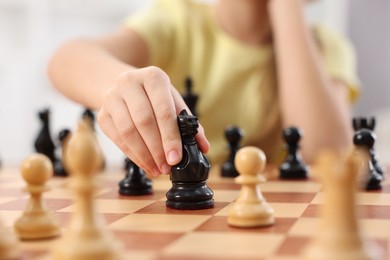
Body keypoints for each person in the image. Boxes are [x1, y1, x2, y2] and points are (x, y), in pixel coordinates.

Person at [47, 0, 359, 177]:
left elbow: (326, 154)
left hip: (273, 225)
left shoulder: (325, 47)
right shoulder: (176, 21)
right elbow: (64, 60)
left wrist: (287, 7)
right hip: (167, 216)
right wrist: (118, 83)